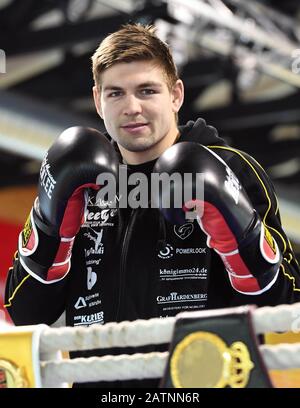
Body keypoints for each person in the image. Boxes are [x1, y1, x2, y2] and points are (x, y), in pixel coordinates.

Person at [4, 24, 300, 387]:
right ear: (98, 101)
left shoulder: (231, 168)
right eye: (116, 94)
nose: (132, 107)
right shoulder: (80, 180)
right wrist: (51, 226)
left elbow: (285, 305)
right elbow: (26, 312)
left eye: (147, 90)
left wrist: (239, 231)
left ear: (175, 95)